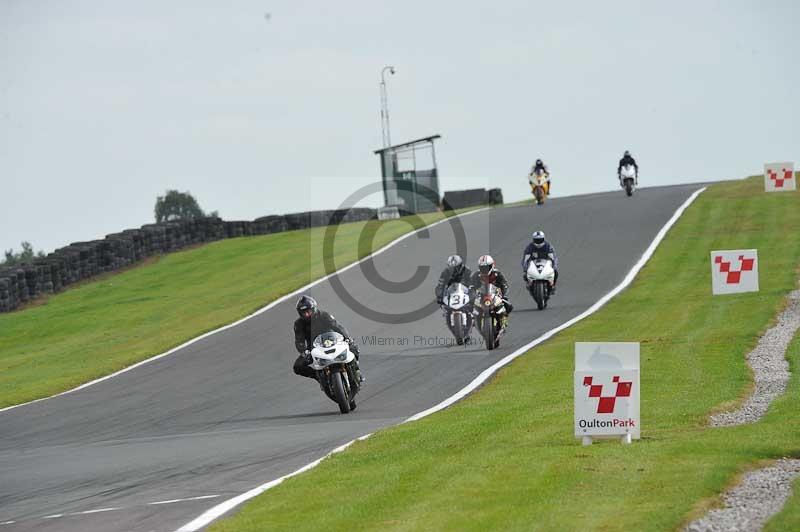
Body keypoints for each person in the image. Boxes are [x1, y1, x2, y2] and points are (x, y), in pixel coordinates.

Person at [293, 295, 363, 383]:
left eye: (308, 311)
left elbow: (337, 326)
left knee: (353, 348)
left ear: (313, 309)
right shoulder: (298, 324)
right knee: (298, 366)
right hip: (313, 347)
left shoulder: (323, 315)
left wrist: (347, 338)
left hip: (332, 340)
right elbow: (299, 340)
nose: (306, 314)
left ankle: (356, 370)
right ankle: (318, 376)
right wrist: (303, 351)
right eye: (304, 313)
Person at [469, 254, 513, 326]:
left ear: (492, 265)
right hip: (481, 297)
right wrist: (472, 295)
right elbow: (471, 287)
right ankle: (472, 322)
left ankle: (503, 318)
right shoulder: (476, 275)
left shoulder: (497, 274)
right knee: (469, 307)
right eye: (482, 268)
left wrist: (504, 295)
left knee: (508, 305)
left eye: (487, 267)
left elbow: (505, 285)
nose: (485, 270)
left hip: (495, 295)